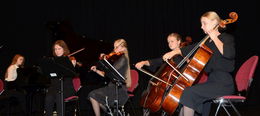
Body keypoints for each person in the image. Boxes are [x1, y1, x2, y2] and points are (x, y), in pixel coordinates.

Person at [163, 11, 235, 116]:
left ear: (215, 22)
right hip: (212, 82)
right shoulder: (206, 42)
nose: (201, 27)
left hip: (224, 83)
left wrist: (214, 37)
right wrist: (174, 52)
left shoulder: (227, 38)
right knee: (185, 92)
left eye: (204, 23)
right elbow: (189, 48)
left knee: (189, 93)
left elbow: (229, 54)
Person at [88, 39, 131, 116]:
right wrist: (96, 70)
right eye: (114, 47)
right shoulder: (116, 59)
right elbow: (107, 74)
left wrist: (105, 61)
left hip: (119, 89)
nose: (114, 50)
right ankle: (110, 113)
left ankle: (110, 113)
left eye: (117, 47)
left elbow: (111, 72)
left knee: (93, 95)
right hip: (111, 87)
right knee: (93, 95)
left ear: (123, 48)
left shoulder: (123, 59)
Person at [42, 40, 76, 116]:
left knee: (59, 95)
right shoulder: (52, 61)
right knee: (48, 97)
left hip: (66, 88)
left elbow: (72, 74)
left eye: (59, 48)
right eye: (55, 49)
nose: (57, 51)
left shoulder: (69, 60)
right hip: (54, 87)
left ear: (64, 49)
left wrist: (72, 64)